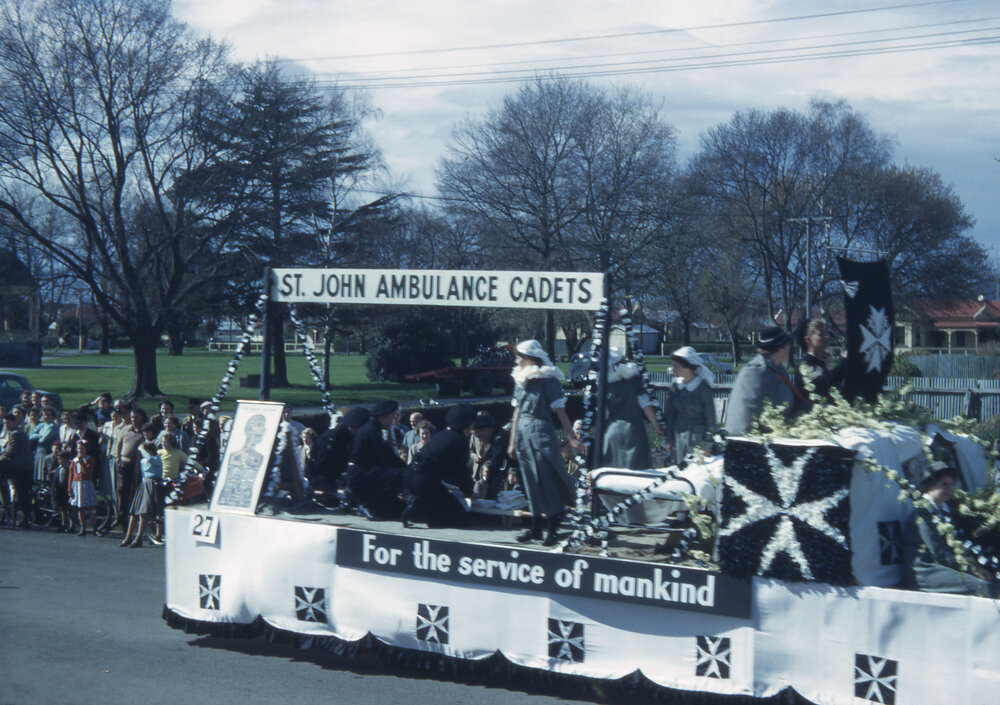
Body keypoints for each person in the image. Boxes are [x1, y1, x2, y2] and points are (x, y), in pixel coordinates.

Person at [507, 339, 584, 546]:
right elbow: (517, 412)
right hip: (523, 432)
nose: (516, 360)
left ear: (530, 359)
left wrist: (571, 437)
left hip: (541, 431)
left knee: (546, 477)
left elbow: (561, 411)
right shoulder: (521, 380)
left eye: (519, 357)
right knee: (529, 479)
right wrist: (512, 441)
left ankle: (552, 526)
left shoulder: (548, 381)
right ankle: (535, 526)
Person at [903, 462, 999, 597]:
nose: (950, 489)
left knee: (994, 580)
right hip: (924, 569)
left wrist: (977, 566)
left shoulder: (945, 510)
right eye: (944, 484)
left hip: (942, 566)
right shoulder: (923, 513)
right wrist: (972, 570)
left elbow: (957, 543)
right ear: (930, 485)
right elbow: (939, 552)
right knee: (984, 588)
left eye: (951, 484)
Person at [401, 404, 476, 528]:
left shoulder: (442, 434)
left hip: (411, 477)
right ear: (465, 424)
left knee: (439, 513)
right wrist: (469, 492)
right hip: (424, 483)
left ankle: (419, 509)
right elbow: (461, 471)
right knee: (461, 519)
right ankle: (417, 505)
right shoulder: (459, 441)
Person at [724, 326, 806, 436]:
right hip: (748, 442)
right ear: (780, 348)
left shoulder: (777, 369)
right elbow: (747, 417)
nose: (790, 348)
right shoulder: (756, 371)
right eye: (788, 345)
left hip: (772, 438)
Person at [601, 347, 666, 469]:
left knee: (614, 470)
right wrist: (657, 426)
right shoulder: (633, 382)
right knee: (636, 470)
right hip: (633, 431)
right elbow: (646, 405)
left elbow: (604, 414)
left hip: (612, 431)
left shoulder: (605, 385)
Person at [345, 400, 407, 519]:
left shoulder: (372, 428)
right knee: (400, 475)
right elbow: (386, 456)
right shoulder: (371, 431)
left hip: (362, 473)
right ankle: (367, 504)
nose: (394, 419)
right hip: (359, 476)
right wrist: (408, 470)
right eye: (393, 416)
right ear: (385, 416)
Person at [663, 346, 717, 462]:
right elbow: (670, 414)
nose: (674, 369)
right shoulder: (675, 386)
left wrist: (707, 445)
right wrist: (669, 439)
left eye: (677, 367)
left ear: (688, 368)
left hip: (697, 436)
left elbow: (711, 418)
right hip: (679, 433)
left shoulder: (703, 388)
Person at [307, 407, 370, 506]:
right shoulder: (333, 438)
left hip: (339, 476)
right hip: (322, 476)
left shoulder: (349, 437)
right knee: (331, 501)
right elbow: (322, 465)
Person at [120, 442, 163, 548]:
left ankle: (138, 538)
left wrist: (142, 449)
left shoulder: (156, 459)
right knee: (134, 513)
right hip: (144, 484)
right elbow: (143, 473)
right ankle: (128, 537)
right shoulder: (143, 461)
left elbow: (150, 459)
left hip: (153, 484)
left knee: (143, 513)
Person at [794, 318, 848, 402]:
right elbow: (825, 385)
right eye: (821, 335)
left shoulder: (819, 362)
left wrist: (826, 364)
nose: (826, 337)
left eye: (826, 334)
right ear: (808, 339)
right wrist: (844, 361)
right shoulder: (805, 366)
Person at [0, 412, 33, 528]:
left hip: (21, 467)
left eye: (8, 423)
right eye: (4, 423)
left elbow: (10, 451)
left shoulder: (16, 434)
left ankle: (19, 513)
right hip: (18, 465)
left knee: (22, 493)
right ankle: (6, 503)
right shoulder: (12, 433)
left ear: (15, 422)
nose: (6, 425)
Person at [470, 412, 510, 500]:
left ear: (488, 429)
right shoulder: (497, 437)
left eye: (479, 436)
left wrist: (486, 487)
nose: (480, 440)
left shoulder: (500, 438)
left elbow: (495, 461)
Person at [67, 439, 99, 536]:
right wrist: (69, 489)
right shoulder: (74, 461)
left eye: (82, 448)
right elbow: (71, 475)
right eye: (79, 449)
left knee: (91, 507)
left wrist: (81, 462)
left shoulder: (90, 459)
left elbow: (87, 472)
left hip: (87, 484)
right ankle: (83, 528)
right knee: (80, 507)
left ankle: (94, 528)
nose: (80, 450)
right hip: (77, 484)